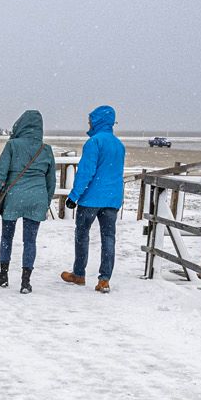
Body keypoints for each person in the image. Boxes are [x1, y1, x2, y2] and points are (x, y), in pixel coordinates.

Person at [0, 109, 55, 292]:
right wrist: (45, 202)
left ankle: (3, 275)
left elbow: (0, 174)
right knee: (30, 241)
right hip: (37, 198)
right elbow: (51, 181)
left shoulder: (13, 145)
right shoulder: (45, 149)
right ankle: (25, 282)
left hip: (14, 197)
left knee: (7, 237)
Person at [60, 104, 125, 292]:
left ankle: (79, 273)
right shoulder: (118, 144)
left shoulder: (94, 142)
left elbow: (86, 172)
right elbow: (115, 172)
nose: (88, 124)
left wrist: (74, 196)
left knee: (82, 235)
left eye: (90, 121)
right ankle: (104, 279)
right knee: (108, 238)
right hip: (112, 199)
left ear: (96, 122)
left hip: (91, 198)